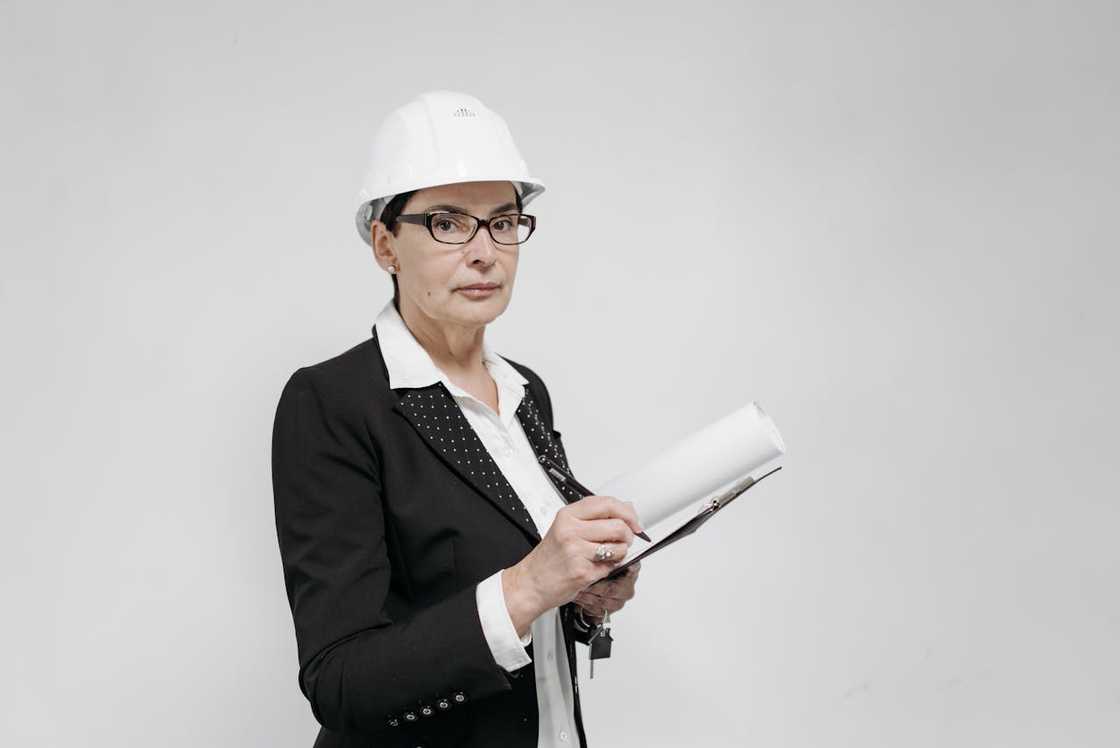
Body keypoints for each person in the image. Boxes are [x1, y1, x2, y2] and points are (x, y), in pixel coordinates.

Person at [271, 90, 645, 748]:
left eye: (503, 222)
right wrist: (530, 584)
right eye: (448, 223)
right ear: (386, 244)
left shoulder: (528, 392)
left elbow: (521, 587)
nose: (485, 252)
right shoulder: (334, 403)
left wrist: (582, 597)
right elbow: (340, 680)